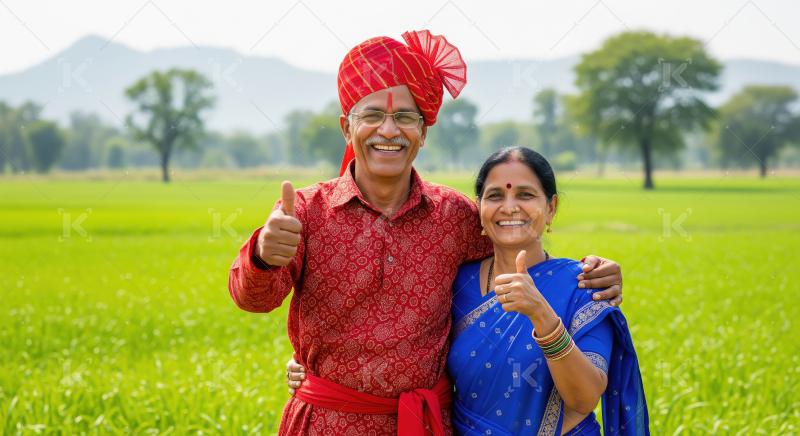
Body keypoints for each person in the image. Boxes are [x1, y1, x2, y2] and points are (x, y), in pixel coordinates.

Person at [228, 30, 623, 435]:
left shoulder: (455, 216)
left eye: (404, 117)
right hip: (326, 422)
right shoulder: (306, 212)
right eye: (372, 116)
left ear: (423, 133)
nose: (388, 130)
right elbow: (253, 299)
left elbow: (516, 234)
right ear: (347, 128)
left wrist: (596, 271)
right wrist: (262, 255)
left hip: (425, 424)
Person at [286, 147, 648, 435]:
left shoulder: (582, 285)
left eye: (526, 195)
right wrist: (319, 371)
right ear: (479, 209)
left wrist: (542, 315)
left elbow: (584, 398)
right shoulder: (457, 282)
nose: (510, 207)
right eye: (494, 196)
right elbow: (404, 344)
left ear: (550, 208)